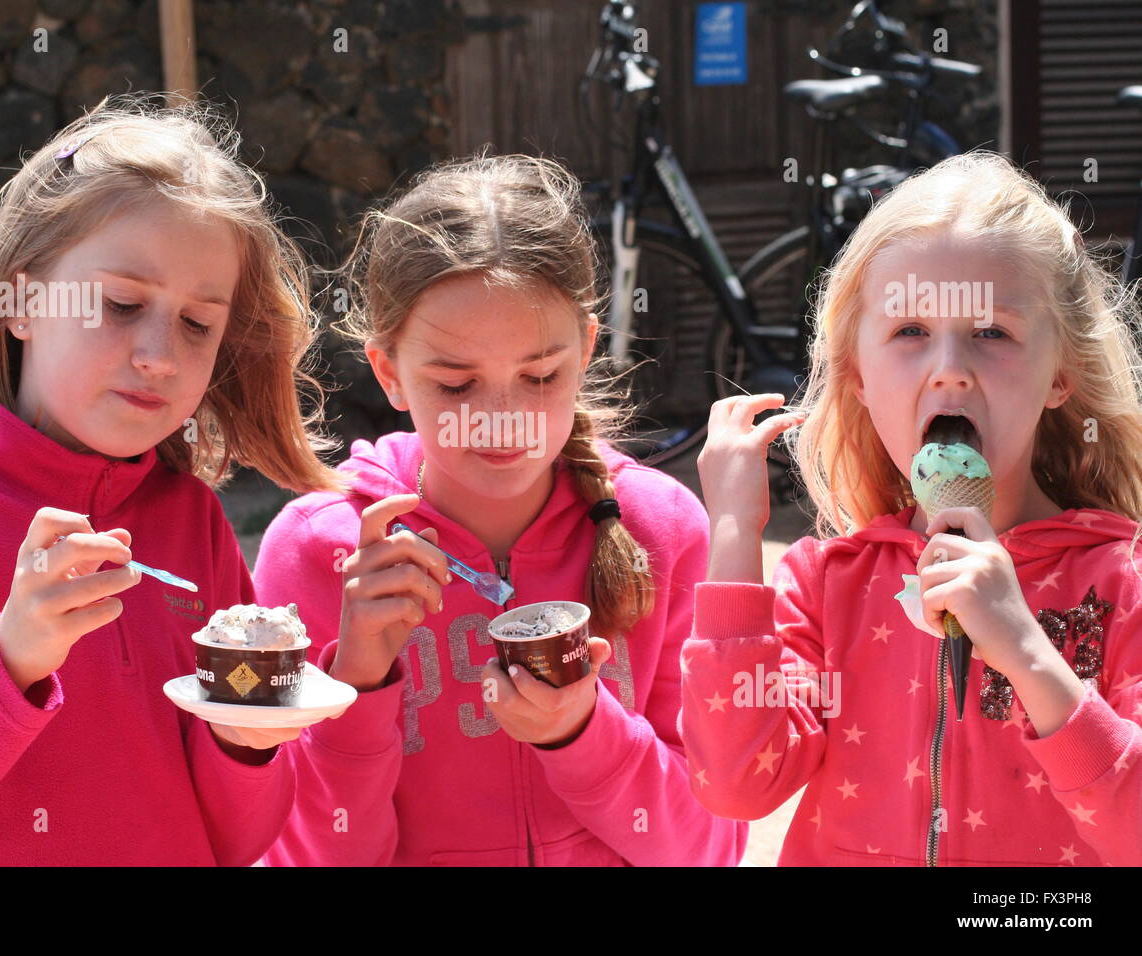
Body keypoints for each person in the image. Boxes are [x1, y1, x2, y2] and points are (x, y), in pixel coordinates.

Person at [0, 93, 344, 865]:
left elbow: (240, 841)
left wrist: (246, 744)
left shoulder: (193, 521)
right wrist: (6, 662)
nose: (160, 355)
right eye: (120, 303)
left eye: (198, 323)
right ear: (20, 302)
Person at [257, 153, 746, 866]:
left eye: (540, 376)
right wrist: (358, 685)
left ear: (586, 348)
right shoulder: (315, 549)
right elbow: (312, 853)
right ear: (389, 372)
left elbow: (705, 846)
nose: (502, 420)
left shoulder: (662, 530)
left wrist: (582, 732)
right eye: (456, 385)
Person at [683, 151, 1142, 865]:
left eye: (992, 332)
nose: (949, 367)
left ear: (1061, 374)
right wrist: (736, 536)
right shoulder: (826, 587)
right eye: (909, 333)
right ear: (858, 376)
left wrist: (1026, 650)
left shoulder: (1123, 582)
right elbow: (737, 784)